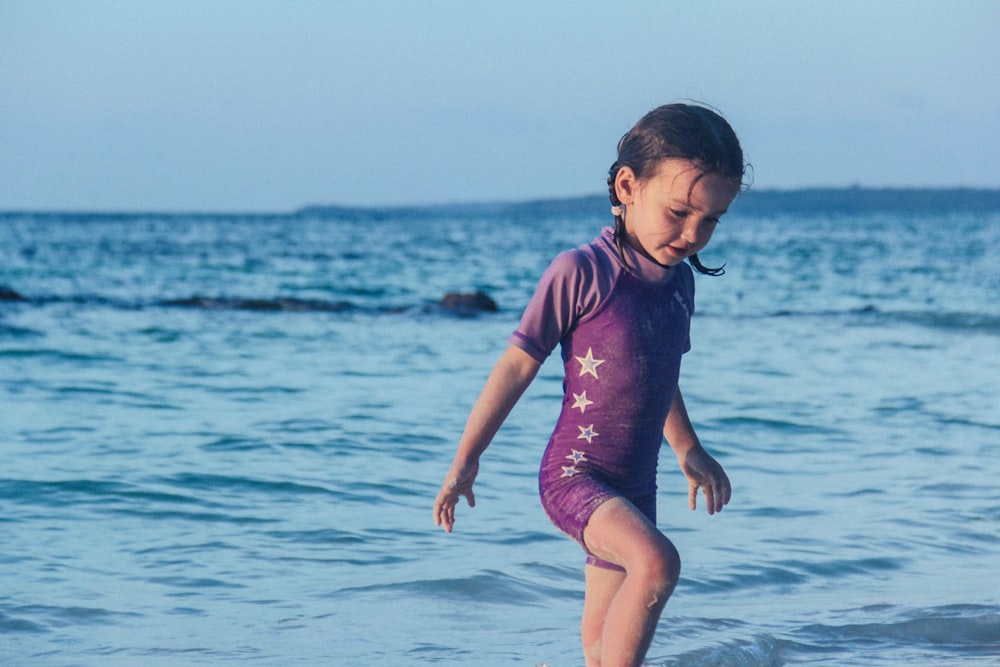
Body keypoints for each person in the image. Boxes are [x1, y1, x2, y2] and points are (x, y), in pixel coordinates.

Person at [433, 103, 747, 667]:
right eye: (678, 211)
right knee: (658, 565)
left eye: (711, 220)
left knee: (602, 649)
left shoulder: (679, 286)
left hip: (637, 485)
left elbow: (660, 373)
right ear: (628, 186)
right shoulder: (580, 272)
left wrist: (689, 447)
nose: (693, 233)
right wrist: (466, 460)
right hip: (576, 476)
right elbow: (514, 367)